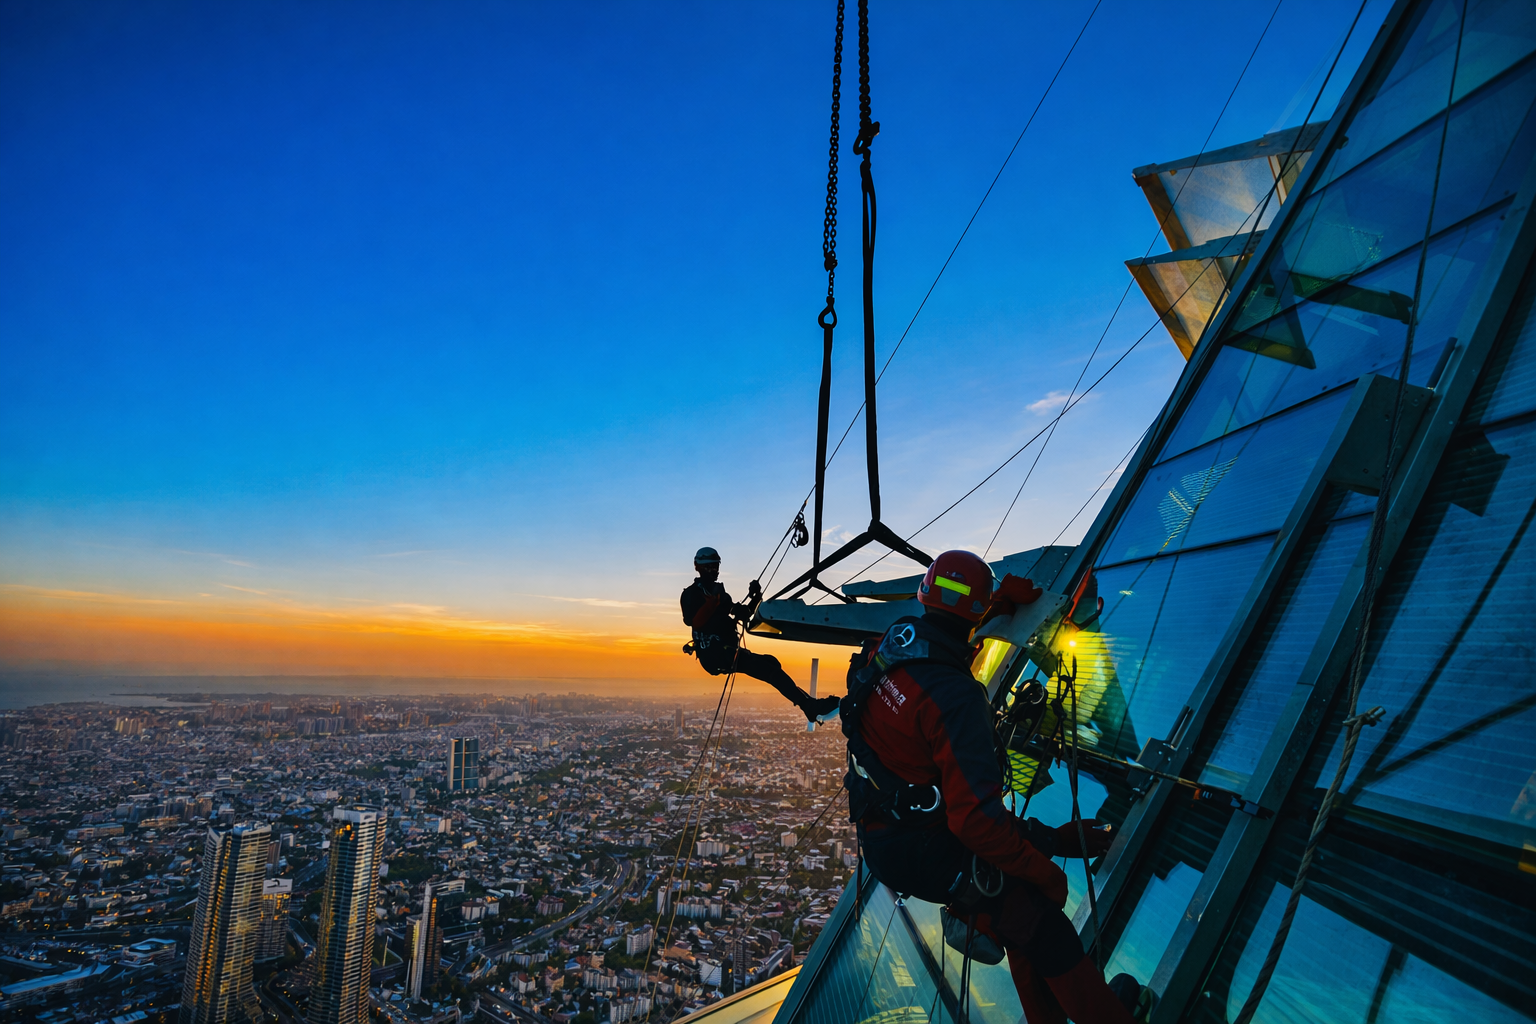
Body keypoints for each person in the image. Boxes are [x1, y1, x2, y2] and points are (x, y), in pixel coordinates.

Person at [843, 548, 1150, 1023]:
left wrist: (994, 600)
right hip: (921, 846)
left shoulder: (895, 642)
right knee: (1039, 921)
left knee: (1017, 915)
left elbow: (948, 622)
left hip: (887, 829)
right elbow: (977, 824)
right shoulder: (956, 698)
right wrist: (1048, 871)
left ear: (925, 596)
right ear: (975, 611)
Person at [680, 547, 842, 723]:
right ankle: (809, 707)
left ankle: (808, 704)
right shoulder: (692, 595)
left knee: (771, 663)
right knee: (769, 670)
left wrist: (755, 597)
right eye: (709, 566)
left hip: (725, 652)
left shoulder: (719, 594)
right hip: (715, 655)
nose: (713, 570)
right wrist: (712, 604)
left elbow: (743, 613)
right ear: (698, 567)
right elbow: (694, 622)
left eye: (715, 566)